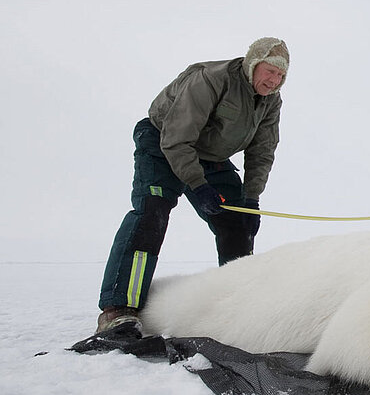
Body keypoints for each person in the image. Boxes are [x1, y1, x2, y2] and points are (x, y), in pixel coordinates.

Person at [94, 37, 289, 337]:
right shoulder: (211, 80)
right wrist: (198, 185)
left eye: (281, 75)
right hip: (162, 141)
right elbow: (176, 138)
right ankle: (118, 310)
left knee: (237, 223)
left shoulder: (271, 102)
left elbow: (262, 152)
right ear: (253, 65)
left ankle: (237, 305)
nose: (274, 80)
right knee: (152, 213)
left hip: (210, 155)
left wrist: (251, 200)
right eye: (270, 71)